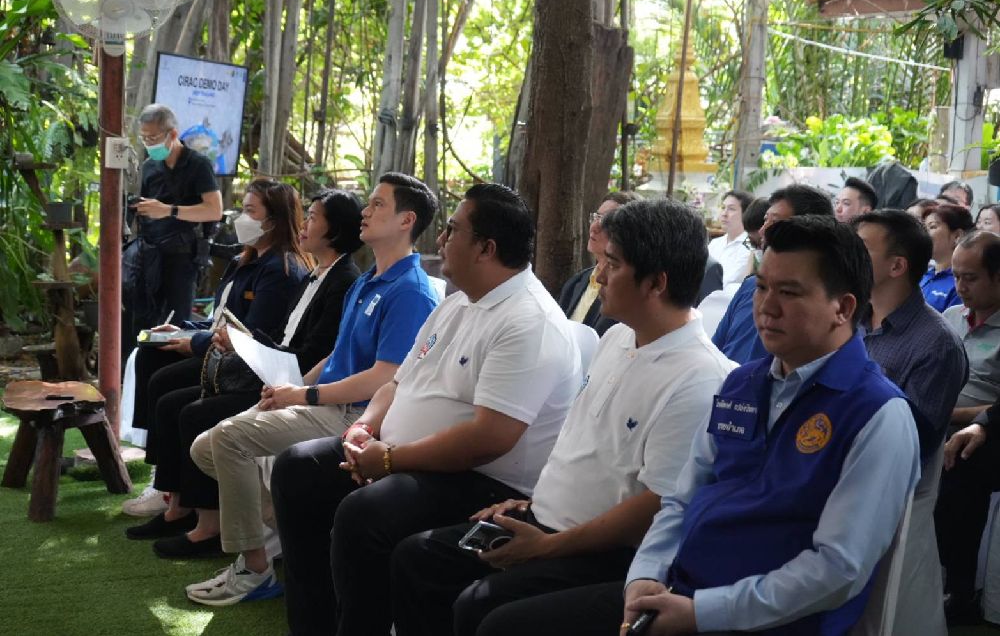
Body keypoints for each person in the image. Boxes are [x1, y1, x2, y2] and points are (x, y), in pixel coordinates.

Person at [468, 217, 921, 636]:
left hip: (764, 621)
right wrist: (644, 577)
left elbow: (837, 570)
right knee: (493, 615)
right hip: (677, 592)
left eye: (790, 292)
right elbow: (682, 500)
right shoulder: (745, 384)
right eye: (762, 287)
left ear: (842, 308)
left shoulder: (877, 415)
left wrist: (703, 612)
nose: (766, 307)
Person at [390, 199, 736, 636]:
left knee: (487, 612)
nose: (598, 275)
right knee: (419, 558)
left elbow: (656, 508)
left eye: (612, 263)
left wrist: (545, 547)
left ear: (656, 283)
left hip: (608, 555)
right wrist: (531, 505)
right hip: (545, 520)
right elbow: (580, 448)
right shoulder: (616, 338)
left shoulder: (700, 379)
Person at [269, 183, 582, 636]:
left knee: (365, 514)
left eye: (453, 230)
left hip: (481, 480)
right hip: (400, 452)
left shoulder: (528, 321)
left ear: (486, 249)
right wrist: (364, 428)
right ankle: (312, 623)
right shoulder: (456, 303)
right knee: (298, 468)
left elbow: (488, 439)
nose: (440, 240)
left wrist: (390, 460)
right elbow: (397, 381)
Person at [183, 172, 439, 603]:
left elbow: (384, 377)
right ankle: (293, 531)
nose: (366, 211)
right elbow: (335, 355)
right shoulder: (366, 281)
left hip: (356, 414)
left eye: (378, 204)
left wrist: (303, 395)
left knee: (227, 439)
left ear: (406, 220)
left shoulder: (411, 291)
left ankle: (254, 568)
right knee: (204, 447)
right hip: (325, 402)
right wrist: (292, 386)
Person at [124, 189, 364, 559]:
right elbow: (285, 338)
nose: (305, 224)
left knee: (190, 409)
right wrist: (243, 341)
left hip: (290, 382)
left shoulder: (339, 279)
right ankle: (179, 502)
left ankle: (214, 528)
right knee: (163, 379)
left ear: (334, 230)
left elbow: (312, 356)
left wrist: (249, 347)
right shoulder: (312, 274)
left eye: (314, 217)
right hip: (273, 372)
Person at [122, 179, 310, 516]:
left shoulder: (280, 270)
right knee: (151, 353)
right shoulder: (244, 260)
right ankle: (162, 479)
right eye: (242, 209)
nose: (241, 218)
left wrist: (193, 343)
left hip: (241, 365)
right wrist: (183, 329)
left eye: (251, 212)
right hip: (219, 350)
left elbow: (252, 334)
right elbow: (220, 318)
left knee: (165, 384)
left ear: (275, 220)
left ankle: (170, 488)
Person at [853, 209, 968, 634]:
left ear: (897, 266)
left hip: (886, 503)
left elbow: (909, 447)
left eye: (861, 249)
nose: (847, 257)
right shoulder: (851, 322)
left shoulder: (935, 344)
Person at [124, 103, 223, 357]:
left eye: (154, 138)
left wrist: (168, 210)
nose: (149, 143)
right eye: (144, 138)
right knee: (143, 321)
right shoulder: (148, 167)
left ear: (173, 134)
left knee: (176, 324)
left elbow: (214, 210)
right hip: (150, 255)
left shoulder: (198, 165)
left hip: (182, 257)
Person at [712, 184, 833, 364]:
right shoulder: (748, 287)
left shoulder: (821, 300)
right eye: (765, 220)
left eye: (773, 222)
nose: (762, 232)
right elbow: (715, 351)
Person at [937, 392, 1000, 624]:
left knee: (964, 461)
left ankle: (958, 590)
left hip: (984, 426)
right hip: (939, 414)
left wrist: (981, 423)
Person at [558, 191, 641, 336]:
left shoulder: (632, 292)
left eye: (606, 221)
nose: (594, 227)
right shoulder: (576, 283)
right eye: (596, 217)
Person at [942, 231, 1000, 426]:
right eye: (956, 277)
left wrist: (951, 415)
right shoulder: (950, 317)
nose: (960, 288)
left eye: (970, 278)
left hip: (983, 438)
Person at [920, 203, 974, 312]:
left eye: (932, 227)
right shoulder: (922, 276)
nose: (924, 234)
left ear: (957, 236)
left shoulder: (961, 284)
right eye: (924, 228)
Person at [707, 190, 752, 292]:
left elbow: (727, 281)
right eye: (723, 208)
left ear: (745, 214)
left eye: (731, 209)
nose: (724, 213)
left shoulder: (750, 246)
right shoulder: (715, 243)